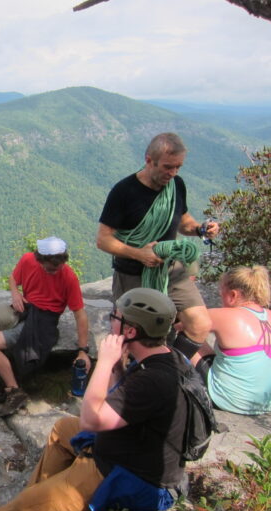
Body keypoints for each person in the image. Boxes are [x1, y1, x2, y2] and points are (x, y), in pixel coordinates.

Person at [0, 288, 188, 511]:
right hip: (127, 447)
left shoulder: (152, 381)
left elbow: (90, 421)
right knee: (64, 428)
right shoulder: (165, 359)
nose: (110, 320)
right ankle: (36, 497)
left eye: (114, 316)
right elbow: (116, 401)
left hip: (129, 475)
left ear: (130, 331)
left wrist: (105, 362)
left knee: (26, 502)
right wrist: (117, 366)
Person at [96, 132, 219, 361]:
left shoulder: (176, 186)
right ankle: (132, 377)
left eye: (178, 167)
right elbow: (103, 239)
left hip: (171, 270)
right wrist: (139, 254)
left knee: (200, 324)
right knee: (131, 336)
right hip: (133, 274)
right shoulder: (124, 191)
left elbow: (184, 222)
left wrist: (201, 229)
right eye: (167, 167)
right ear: (148, 160)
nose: (172, 173)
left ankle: (171, 367)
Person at [0, 236, 91, 417]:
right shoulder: (27, 260)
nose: (54, 271)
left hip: (44, 319)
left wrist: (83, 350)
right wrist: (15, 293)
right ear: (39, 260)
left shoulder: (69, 277)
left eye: (58, 267)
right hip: (24, 308)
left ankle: (15, 391)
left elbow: (80, 314)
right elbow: (13, 278)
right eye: (50, 268)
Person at [192, 266, 271, 415]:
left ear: (233, 295)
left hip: (232, 401)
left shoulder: (225, 315)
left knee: (189, 335)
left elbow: (183, 325)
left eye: (221, 292)